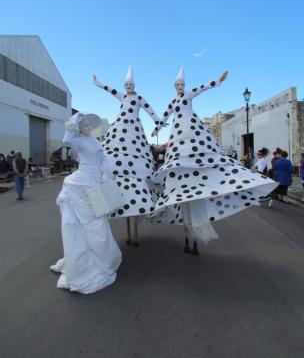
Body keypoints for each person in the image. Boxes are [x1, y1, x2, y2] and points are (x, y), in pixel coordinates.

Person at [151, 67, 278, 253]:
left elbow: (202, 88)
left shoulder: (189, 95)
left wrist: (218, 80)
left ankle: (193, 244)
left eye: (182, 85)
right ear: (174, 87)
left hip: (191, 130)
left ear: (184, 86)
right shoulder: (172, 102)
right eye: (177, 85)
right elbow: (164, 116)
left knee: (193, 210)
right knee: (186, 210)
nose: (180, 87)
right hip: (178, 136)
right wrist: (157, 129)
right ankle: (188, 242)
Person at [50, 112, 122, 294]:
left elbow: (102, 158)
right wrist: (73, 121)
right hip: (82, 182)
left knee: (97, 221)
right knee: (89, 223)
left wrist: (107, 171)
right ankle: (87, 263)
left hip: (96, 182)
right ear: (80, 126)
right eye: (85, 124)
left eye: (90, 124)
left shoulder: (95, 141)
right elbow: (67, 140)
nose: (89, 126)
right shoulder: (78, 140)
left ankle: (101, 258)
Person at [93, 65, 160, 245]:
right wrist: (98, 83)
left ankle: (135, 234)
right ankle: (130, 233)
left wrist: (158, 122)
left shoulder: (138, 98)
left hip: (134, 135)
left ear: (134, 85)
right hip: (119, 133)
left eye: (130, 84)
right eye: (126, 84)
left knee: (135, 187)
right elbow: (110, 90)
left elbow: (149, 109)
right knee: (120, 184)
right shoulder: (122, 96)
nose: (128, 86)